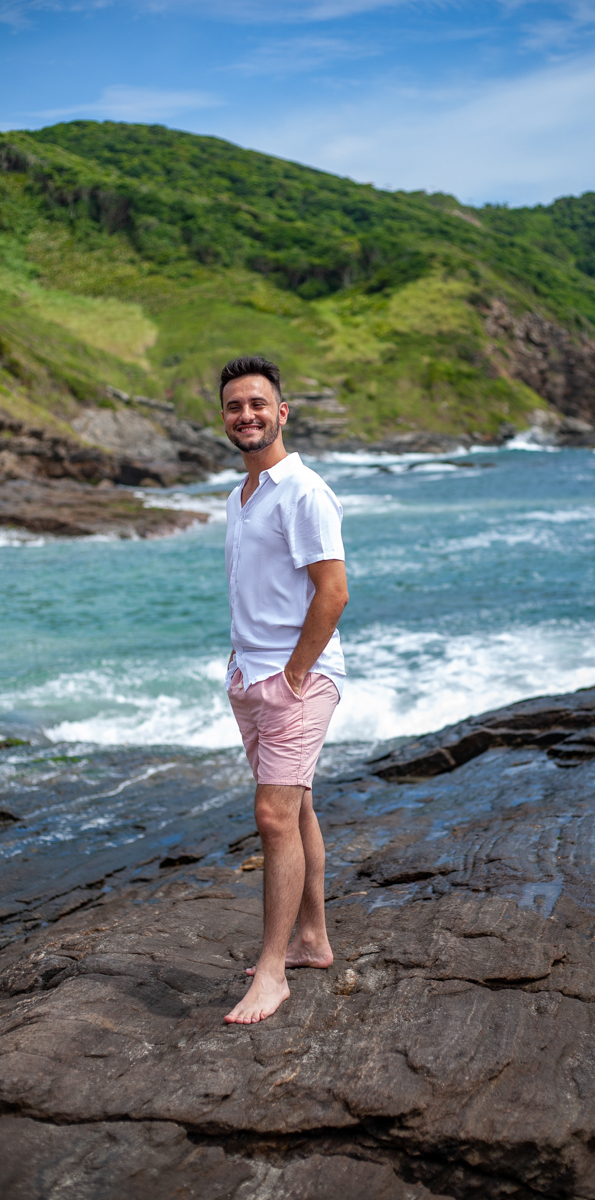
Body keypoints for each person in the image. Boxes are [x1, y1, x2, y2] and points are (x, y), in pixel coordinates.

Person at [219, 355, 348, 1024]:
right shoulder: (240, 496)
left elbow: (334, 592)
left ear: (282, 413)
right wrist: (243, 662)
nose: (246, 415)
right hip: (251, 675)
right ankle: (311, 940)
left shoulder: (303, 491)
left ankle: (272, 973)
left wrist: (296, 671)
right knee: (295, 810)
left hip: (296, 679)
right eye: (235, 406)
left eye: (258, 404)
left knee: (272, 817)